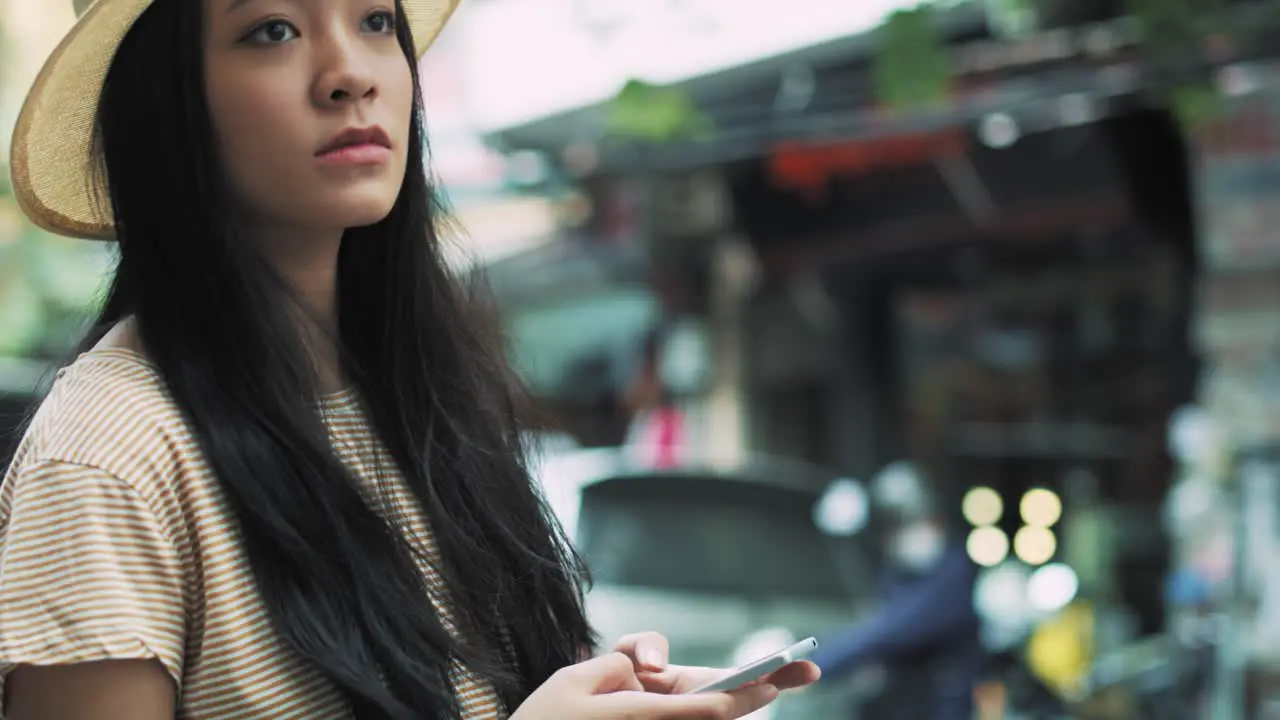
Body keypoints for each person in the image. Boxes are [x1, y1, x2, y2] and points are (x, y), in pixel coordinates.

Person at [0, 0, 818, 718]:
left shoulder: (417, 391)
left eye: (376, 22)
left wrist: (597, 691)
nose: (350, 74)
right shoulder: (108, 460)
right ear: (164, 103)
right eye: (272, 30)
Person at [809, 461, 981, 720]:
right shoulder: (896, 574)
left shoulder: (952, 575)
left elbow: (890, 629)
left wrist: (816, 665)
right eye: (894, 527)